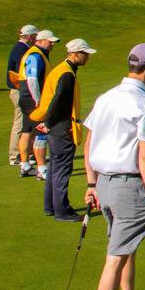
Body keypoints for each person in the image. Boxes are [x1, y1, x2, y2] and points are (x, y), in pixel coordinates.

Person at [80, 43, 145, 290]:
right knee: (115, 258)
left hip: (103, 183)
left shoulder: (106, 97)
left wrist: (91, 185)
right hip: (129, 186)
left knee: (125, 246)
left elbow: (88, 144)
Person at [31, 38, 97, 221]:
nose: (87, 57)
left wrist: (48, 123)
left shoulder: (62, 70)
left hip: (56, 127)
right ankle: (62, 211)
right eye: (85, 54)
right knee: (61, 170)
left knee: (54, 167)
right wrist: (49, 123)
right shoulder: (67, 74)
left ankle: (50, 206)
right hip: (61, 128)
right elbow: (59, 102)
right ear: (75, 54)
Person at [16, 29, 59, 179]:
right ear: (40, 41)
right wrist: (38, 100)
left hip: (25, 98)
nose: (52, 44)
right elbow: (32, 80)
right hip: (32, 99)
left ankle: (25, 165)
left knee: (27, 130)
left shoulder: (37, 54)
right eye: (50, 41)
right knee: (42, 131)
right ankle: (42, 169)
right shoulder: (35, 55)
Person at [6, 24, 38, 166]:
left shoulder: (21, 48)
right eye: (35, 36)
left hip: (21, 90)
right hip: (20, 91)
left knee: (27, 122)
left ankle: (28, 153)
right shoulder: (22, 50)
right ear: (30, 36)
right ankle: (15, 155)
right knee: (20, 123)